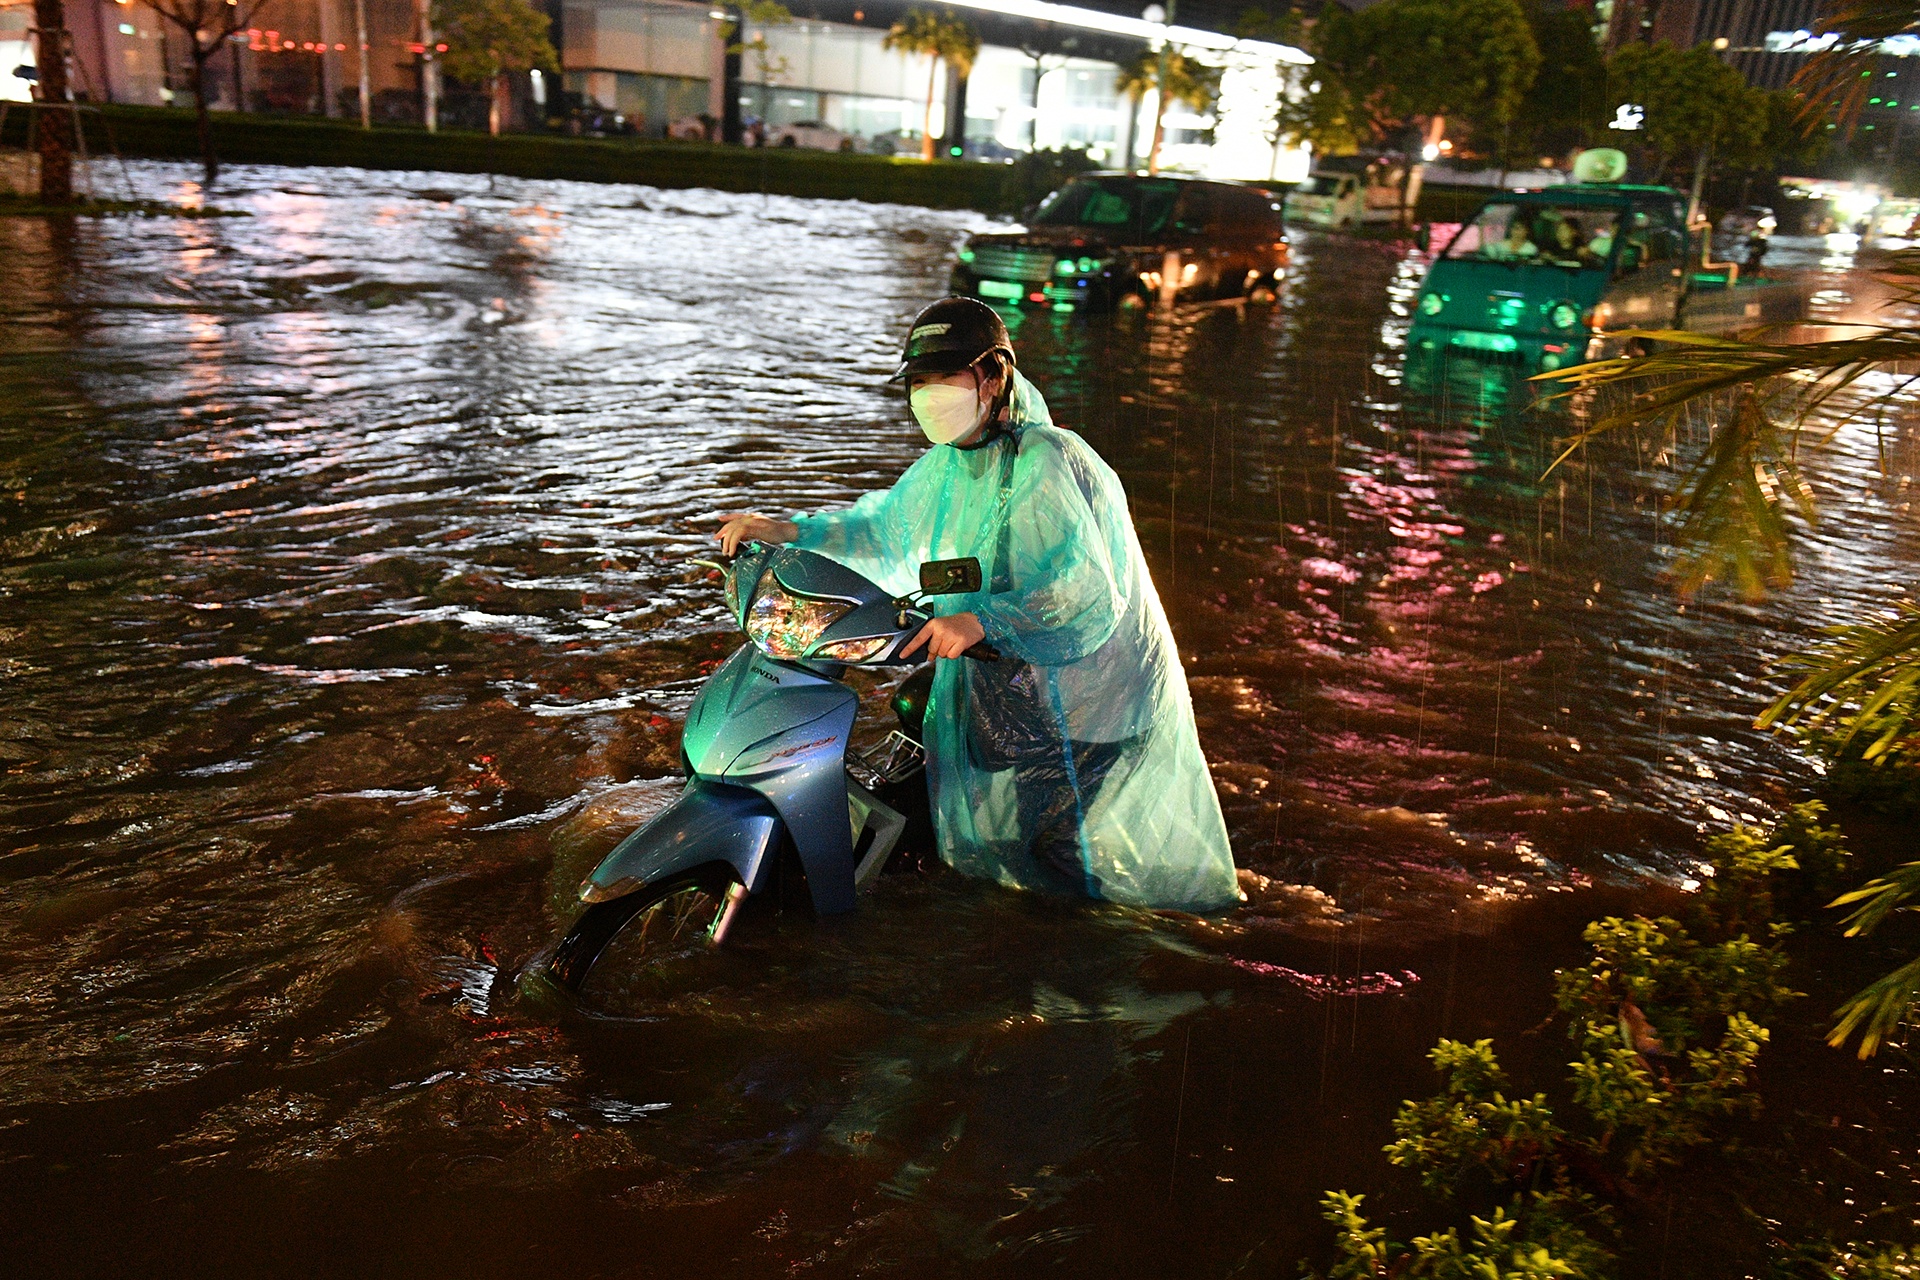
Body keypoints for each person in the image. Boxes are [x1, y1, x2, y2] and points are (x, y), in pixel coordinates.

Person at [716, 298, 1241, 911]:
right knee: (1009, 841)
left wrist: (983, 617)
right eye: (919, 381)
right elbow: (881, 534)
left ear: (993, 377)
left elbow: (1085, 590)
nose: (929, 394)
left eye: (947, 377)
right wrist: (785, 531)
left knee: (1063, 852)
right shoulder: (945, 468)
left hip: (1090, 695)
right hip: (1008, 675)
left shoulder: (1049, 459)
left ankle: (1085, 972)